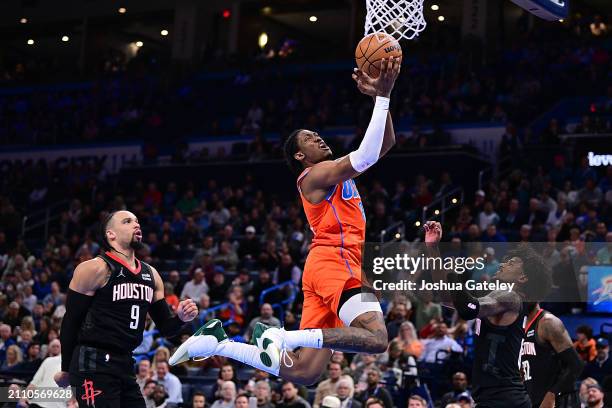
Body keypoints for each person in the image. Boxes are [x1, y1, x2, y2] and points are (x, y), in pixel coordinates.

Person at [171, 58, 402, 384]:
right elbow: (366, 155)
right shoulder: (314, 175)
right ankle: (284, 337)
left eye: (318, 134)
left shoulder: (330, 171)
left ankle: (220, 343)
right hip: (335, 260)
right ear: (299, 156)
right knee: (377, 338)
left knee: (305, 372)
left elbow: (384, 144)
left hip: (325, 266)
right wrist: (383, 95)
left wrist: (383, 98)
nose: (318, 138)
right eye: (309, 138)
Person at [53, 210, 198, 407]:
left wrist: (181, 318)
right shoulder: (94, 268)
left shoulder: (151, 274)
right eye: (127, 221)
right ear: (110, 234)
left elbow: (166, 328)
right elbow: (71, 320)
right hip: (92, 361)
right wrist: (66, 368)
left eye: (137, 221)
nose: (136, 225)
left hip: (126, 363)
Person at [428, 222, 553, 408]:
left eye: (511, 263)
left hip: (505, 400)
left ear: (523, 278)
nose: (503, 264)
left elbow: (467, 309)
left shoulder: (511, 297)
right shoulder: (492, 298)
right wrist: (432, 248)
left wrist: (455, 273)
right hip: (495, 399)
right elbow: (445, 295)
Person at [520, 302, 584, 407]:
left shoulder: (548, 322)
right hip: (536, 399)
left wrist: (551, 395)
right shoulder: (520, 326)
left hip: (560, 400)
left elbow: (576, 364)